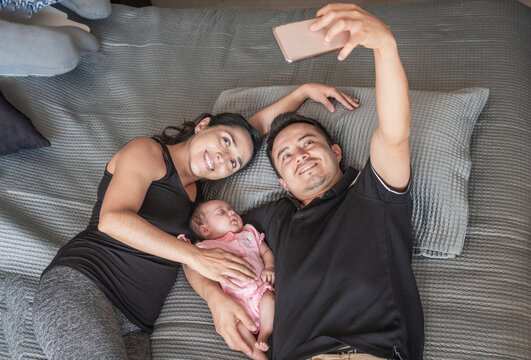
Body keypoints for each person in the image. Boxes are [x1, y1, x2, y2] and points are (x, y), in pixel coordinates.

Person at [32, 82, 358, 359]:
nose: (222, 159)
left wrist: (301, 94)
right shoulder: (147, 152)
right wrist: (197, 257)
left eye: (233, 163)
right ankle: (29, 303)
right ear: (203, 125)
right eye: (224, 142)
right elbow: (113, 220)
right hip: (87, 284)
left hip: (138, 321)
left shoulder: (195, 195)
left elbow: (252, 131)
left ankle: (19, 303)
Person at [185, 3, 424, 360]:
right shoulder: (272, 219)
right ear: (283, 183)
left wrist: (384, 46)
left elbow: (394, 135)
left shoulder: (374, 194)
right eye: (286, 156)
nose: (299, 155)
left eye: (309, 143)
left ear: (337, 152)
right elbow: (192, 253)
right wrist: (214, 298)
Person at [182, 199, 275, 360]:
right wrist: (185, 246)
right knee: (237, 328)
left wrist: (270, 267)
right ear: (205, 230)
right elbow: (192, 260)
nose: (232, 212)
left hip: (258, 290)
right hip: (235, 301)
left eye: (231, 209)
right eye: (222, 212)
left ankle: (265, 334)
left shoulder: (249, 232)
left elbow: (265, 252)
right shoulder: (207, 247)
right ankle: (257, 355)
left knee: (269, 300)